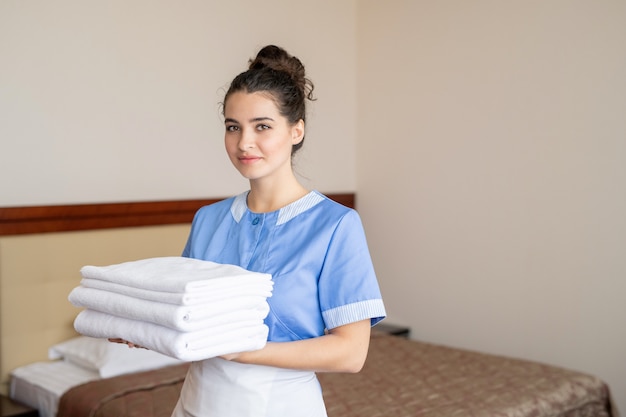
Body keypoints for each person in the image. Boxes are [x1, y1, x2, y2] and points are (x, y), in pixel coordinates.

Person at [169, 44, 386, 417]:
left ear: (296, 130)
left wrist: (246, 351)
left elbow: (351, 353)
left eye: (262, 127)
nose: (243, 143)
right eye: (233, 127)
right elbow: (185, 314)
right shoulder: (208, 220)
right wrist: (146, 329)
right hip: (197, 404)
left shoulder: (335, 226)